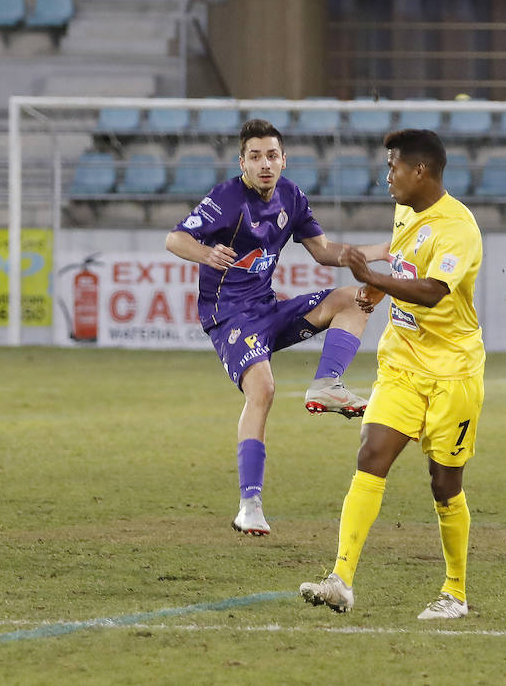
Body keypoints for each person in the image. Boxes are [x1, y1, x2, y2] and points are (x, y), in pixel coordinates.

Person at [165, 118, 388, 537]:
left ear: (283, 160)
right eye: (255, 156)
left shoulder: (291, 196)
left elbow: (324, 252)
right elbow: (174, 239)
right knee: (263, 390)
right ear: (242, 162)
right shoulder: (227, 198)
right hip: (230, 316)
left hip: (269, 308)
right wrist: (205, 253)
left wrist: (383, 251)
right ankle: (249, 505)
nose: (264, 163)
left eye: (271, 155)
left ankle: (327, 383)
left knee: (354, 298)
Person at [300, 128, 485, 620]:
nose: (387, 177)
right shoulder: (406, 211)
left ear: (420, 171)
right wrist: (380, 292)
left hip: (453, 373)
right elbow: (404, 265)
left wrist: (371, 278)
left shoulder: (459, 228)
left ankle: (455, 593)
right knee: (371, 456)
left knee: (444, 484)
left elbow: (431, 290)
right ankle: (340, 579)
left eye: (393, 167)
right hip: (402, 362)